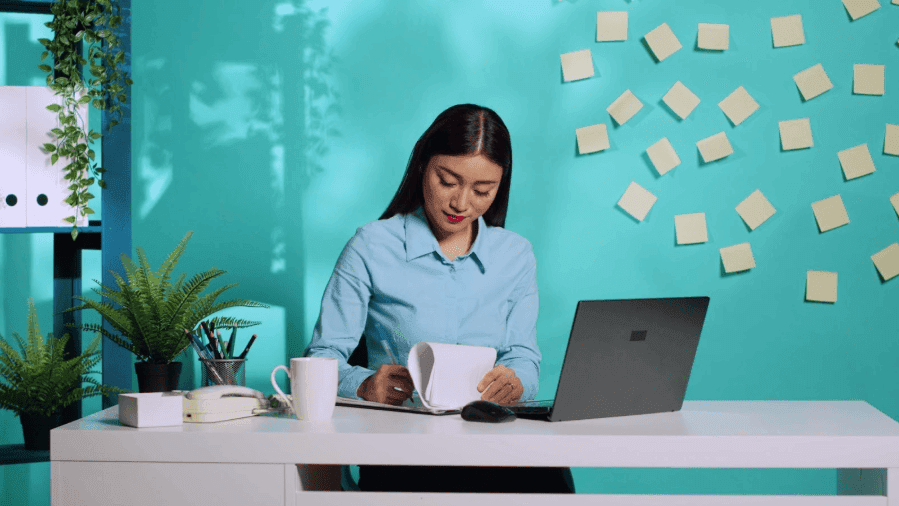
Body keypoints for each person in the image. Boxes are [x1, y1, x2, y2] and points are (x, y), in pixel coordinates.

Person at [304, 103, 575, 494]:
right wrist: (364, 385)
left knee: (551, 481)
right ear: (422, 167)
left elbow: (523, 356)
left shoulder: (515, 255)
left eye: (483, 190)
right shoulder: (371, 245)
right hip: (404, 450)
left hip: (496, 444)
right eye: (447, 181)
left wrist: (517, 383)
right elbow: (322, 359)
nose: (462, 204)